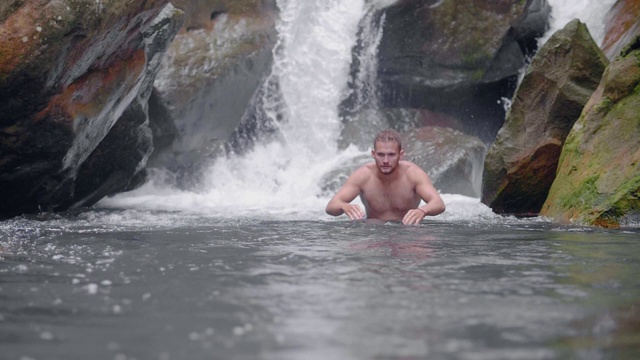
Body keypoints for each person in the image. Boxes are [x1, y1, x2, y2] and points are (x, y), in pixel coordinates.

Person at [325, 129, 445, 225]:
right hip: (374, 232)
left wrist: (422, 211)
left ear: (401, 155)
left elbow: (438, 203)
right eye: (381, 155)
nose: (386, 160)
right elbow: (331, 206)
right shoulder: (363, 175)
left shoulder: (413, 174)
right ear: (373, 154)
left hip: (407, 232)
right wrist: (344, 206)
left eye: (391, 155)